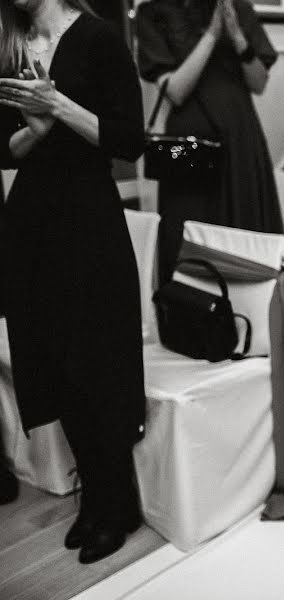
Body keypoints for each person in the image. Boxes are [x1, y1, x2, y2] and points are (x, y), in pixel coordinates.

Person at [0, 0, 146, 563]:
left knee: (96, 366)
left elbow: (129, 140)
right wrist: (34, 130)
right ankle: (95, 502)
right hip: (32, 224)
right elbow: (4, 150)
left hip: (88, 219)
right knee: (56, 364)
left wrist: (56, 104)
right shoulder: (10, 43)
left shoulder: (100, 38)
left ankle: (118, 502)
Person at [136, 0, 282, 284]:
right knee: (188, 236)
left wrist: (238, 36)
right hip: (187, 145)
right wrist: (213, 34)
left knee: (245, 236)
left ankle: (252, 315)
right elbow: (175, 91)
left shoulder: (238, 7)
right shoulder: (152, 12)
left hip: (241, 138)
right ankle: (191, 319)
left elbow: (259, 83)